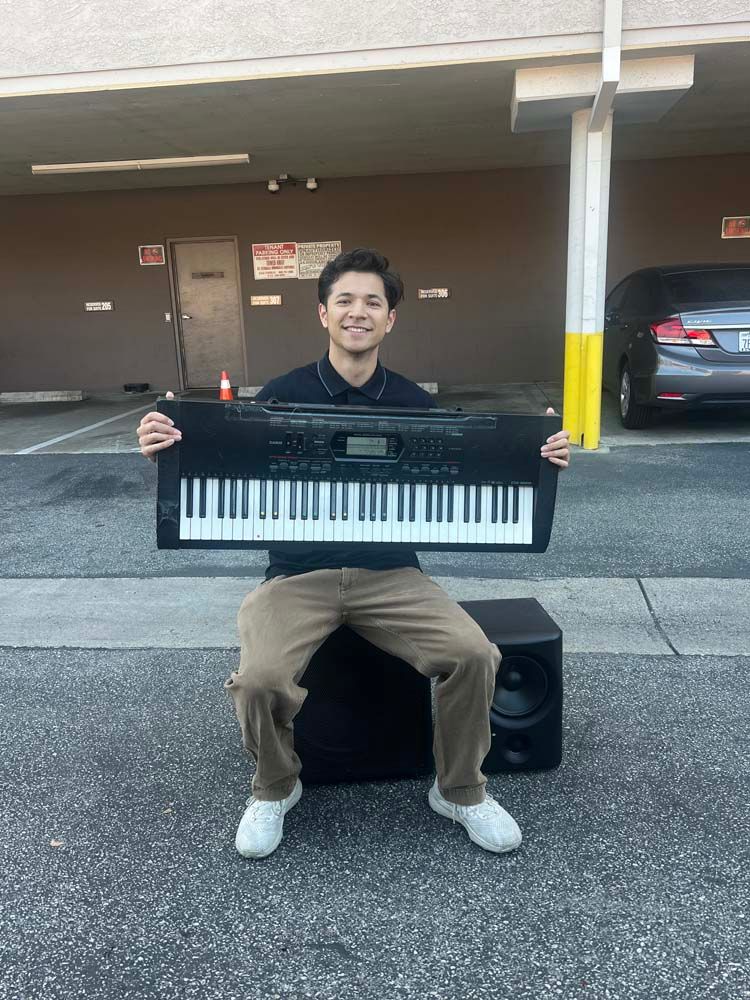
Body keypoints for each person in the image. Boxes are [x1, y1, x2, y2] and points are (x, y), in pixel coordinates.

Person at [137, 248, 571, 860]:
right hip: (296, 575)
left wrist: (539, 457)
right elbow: (213, 454)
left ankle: (461, 790)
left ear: (390, 319)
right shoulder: (279, 397)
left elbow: (482, 465)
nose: (358, 312)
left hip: (393, 574)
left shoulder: (417, 404)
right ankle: (275, 785)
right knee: (260, 680)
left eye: (373, 301)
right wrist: (166, 450)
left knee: (474, 653)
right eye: (345, 300)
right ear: (323, 313)